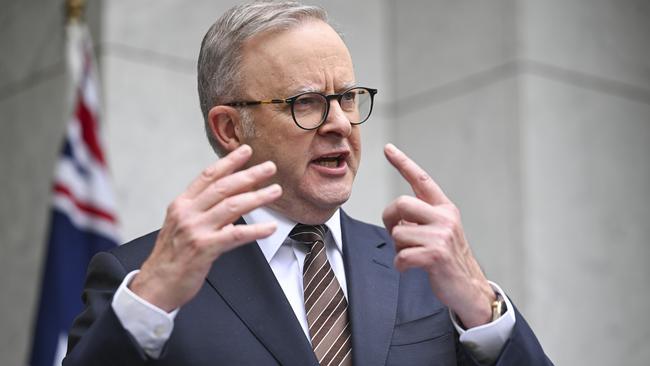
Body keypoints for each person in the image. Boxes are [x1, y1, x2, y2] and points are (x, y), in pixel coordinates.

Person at [64, 2, 553, 365]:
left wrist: (483, 311)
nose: (339, 122)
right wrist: (149, 301)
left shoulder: (424, 269)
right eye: (306, 102)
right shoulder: (144, 281)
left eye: (347, 97)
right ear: (230, 129)